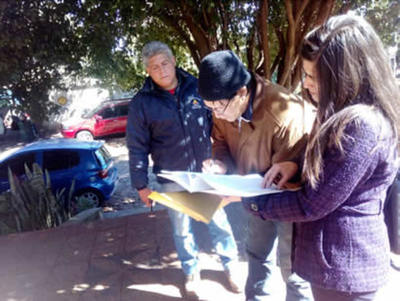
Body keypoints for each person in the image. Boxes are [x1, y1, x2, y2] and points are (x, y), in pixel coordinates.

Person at [241, 15, 400, 301]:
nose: (306, 85)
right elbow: (330, 161)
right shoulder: (343, 111)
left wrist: (250, 201)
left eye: (313, 77)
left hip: (346, 270)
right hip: (335, 266)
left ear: (346, 74)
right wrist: (296, 164)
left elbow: (311, 203)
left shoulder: (362, 124)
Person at [126, 41, 241, 299]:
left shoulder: (198, 88)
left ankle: (231, 265)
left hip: (206, 172)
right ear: (147, 71)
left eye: (165, 63)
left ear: (174, 61)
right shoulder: (142, 103)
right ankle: (191, 271)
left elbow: (220, 124)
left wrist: (227, 162)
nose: (162, 70)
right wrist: (140, 185)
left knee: (219, 220)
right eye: (154, 67)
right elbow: (136, 146)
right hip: (171, 178)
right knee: (181, 229)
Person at [198, 50, 314, 301]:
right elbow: (220, 142)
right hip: (251, 195)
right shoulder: (223, 103)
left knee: (293, 270)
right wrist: (221, 165)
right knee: (257, 255)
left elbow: (291, 179)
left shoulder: (284, 113)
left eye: (218, 107)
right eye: (210, 108)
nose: (216, 114)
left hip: (287, 202)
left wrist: (240, 196)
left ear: (242, 92)